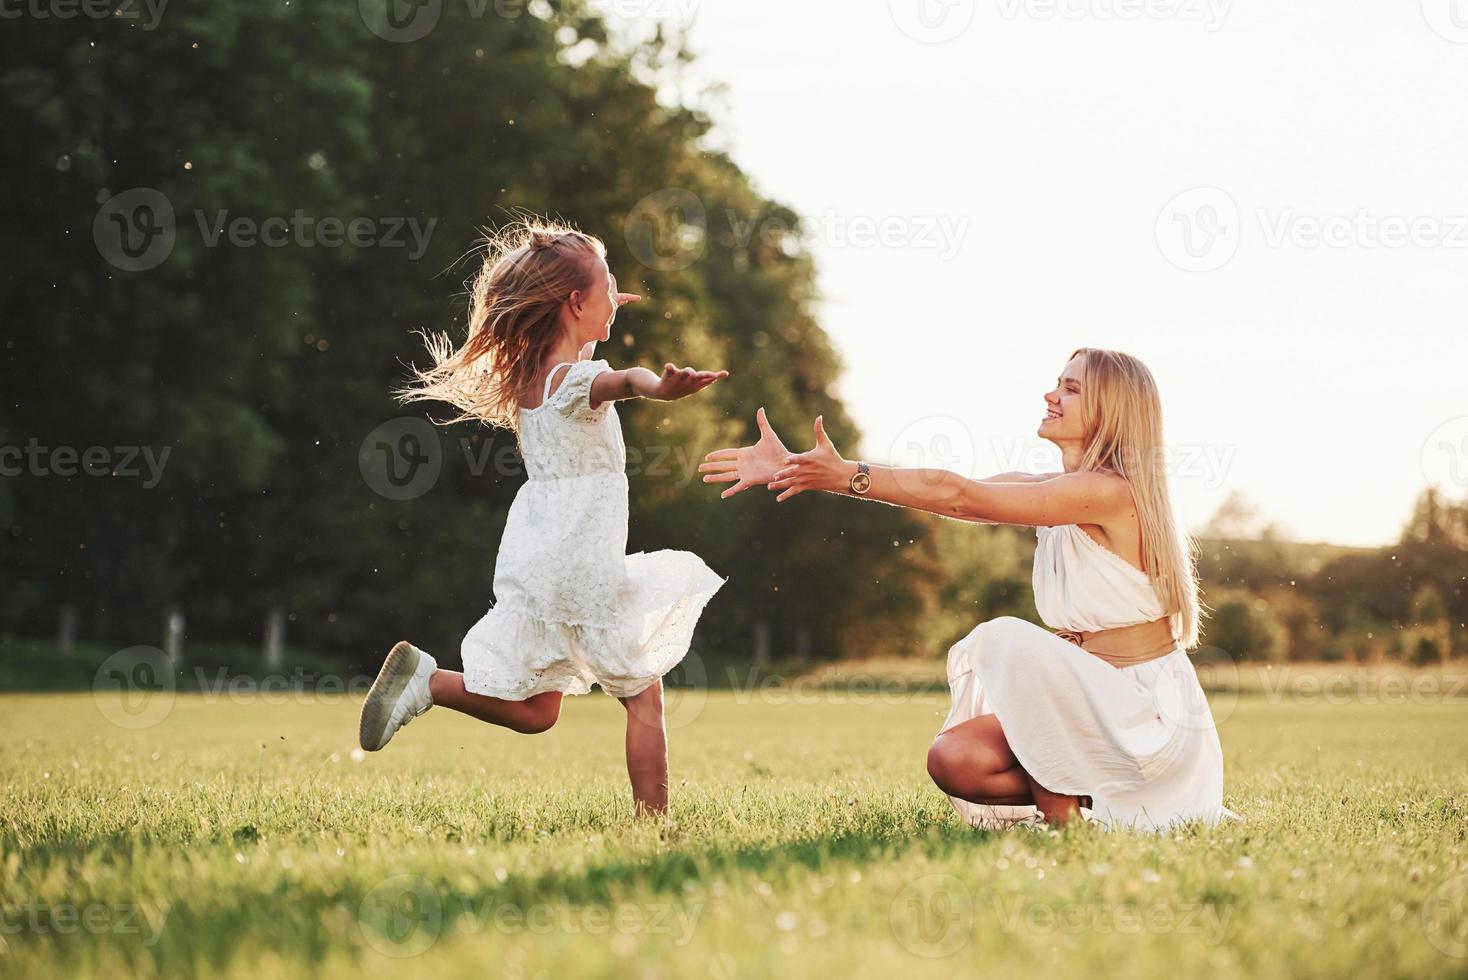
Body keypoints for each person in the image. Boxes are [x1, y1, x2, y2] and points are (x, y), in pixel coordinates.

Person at [700, 348, 1236, 830]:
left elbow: (961, 498)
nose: (1051, 394)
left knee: (1006, 637)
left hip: (1143, 713)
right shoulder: (1057, 492)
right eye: (1058, 382)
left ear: (1111, 411)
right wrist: (807, 467)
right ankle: (1109, 803)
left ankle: (1067, 828)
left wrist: (846, 475)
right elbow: (956, 489)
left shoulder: (1108, 493)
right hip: (1091, 701)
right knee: (954, 758)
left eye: (1071, 389)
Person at [358, 220, 727, 817]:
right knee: (644, 695)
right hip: (581, 562)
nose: (619, 294)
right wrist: (658, 387)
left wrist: (601, 305)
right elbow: (620, 380)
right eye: (611, 285)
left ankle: (429, 682)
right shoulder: (580, 380)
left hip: (542, 554)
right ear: (575, 303)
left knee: (538, 711)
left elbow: (580, 355)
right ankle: (654, 828)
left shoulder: (536, 377)